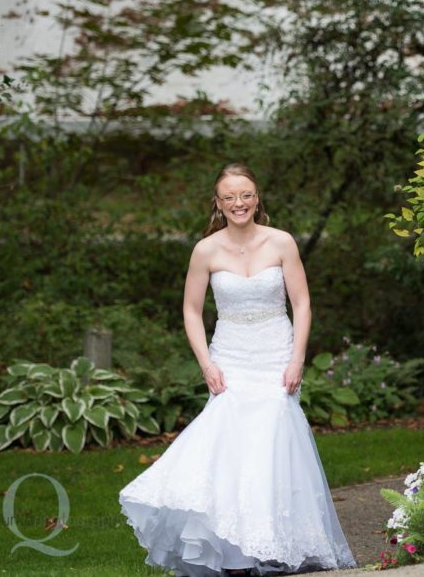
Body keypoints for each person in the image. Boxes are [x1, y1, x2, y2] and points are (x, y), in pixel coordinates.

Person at [119, 163, 356, 575]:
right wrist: (206, 363)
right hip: (229, 356)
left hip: (275, 353)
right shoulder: (205, 250)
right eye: (229, 197)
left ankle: (273, 543)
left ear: (257, 197)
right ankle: (234, 550)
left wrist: (297, 357)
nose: (238, 203)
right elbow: (191, 311)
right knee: (229, 444)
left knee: (272, 442)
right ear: (218, 203)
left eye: (245, 195)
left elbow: (301, 303)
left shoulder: (281, 243)